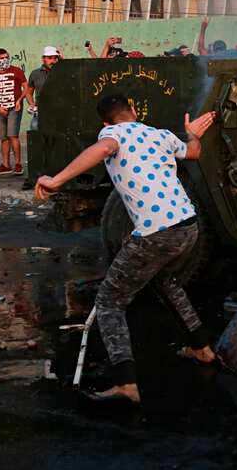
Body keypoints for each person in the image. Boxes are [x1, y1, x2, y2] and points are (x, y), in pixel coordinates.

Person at [35, 96, 218, 404]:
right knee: (166, 281)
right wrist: (193, 134)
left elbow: (104, 149)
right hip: (188, 227)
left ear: (105, 123)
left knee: (109, 302)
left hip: (157, 233)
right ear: (134, 111)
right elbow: (195, 152)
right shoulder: (160, 134)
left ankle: (126, 384)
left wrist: (56, 180)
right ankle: (203, 350)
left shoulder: (112, 136)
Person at [23, 46, 61, 189]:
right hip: (41, 114)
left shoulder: (62, 72)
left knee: (57, 143)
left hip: (58, 114)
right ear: (43, 59)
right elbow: (28, 92)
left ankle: (56, 174)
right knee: (37, 140)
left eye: (55, 58)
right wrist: (32, 105)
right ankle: (35, 175)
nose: (53, 61)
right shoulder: (35, 74)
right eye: (50, 58)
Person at [0, 47, 27, 175]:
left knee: (12, 135)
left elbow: (26, 88)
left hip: (14, 108)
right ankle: (5, 165)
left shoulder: (16, 71)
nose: (4, 60)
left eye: (6, 57)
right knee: (4, 138)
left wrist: (19, 100)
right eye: (1, 58)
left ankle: (18, 163)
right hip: (1, 109)